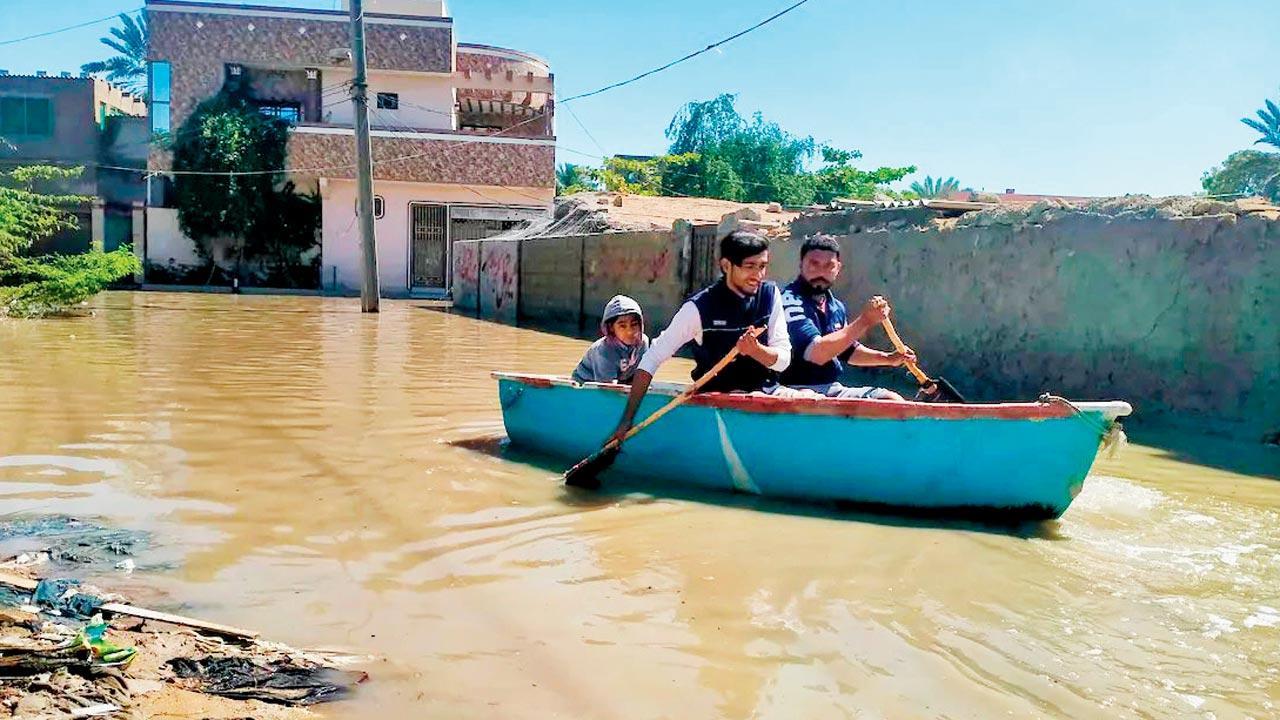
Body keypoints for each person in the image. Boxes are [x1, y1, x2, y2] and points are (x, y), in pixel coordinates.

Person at [606, 230, 792, 445]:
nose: (758, 275)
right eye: (749, 267)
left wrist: (757, 351)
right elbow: (651, 359)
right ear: (726, 266)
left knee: (810, 395)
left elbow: (783, 361)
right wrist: (627, 420)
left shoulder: (770, 296)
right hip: (719, 398)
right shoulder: (698, 309)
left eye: (762, 266)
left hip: (767, 392)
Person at [779, 234, 916, 400]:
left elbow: (847, 351)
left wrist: (889, 359)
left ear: (838, 269)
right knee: (809, 399)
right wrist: (865, 321)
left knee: (891, 400)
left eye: (829, 266)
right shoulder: (790, 301)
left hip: (830, 388)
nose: (821, 272)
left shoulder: (836, 307)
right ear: (801, 265)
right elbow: (817, 353)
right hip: (793, 389)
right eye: (814, 264)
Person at [571, 295, 650, 385]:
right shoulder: (604, 351)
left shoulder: (643, 343)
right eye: (622, 326)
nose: (630, 332)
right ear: (611, 328)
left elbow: (642, 373)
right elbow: (606, 386)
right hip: (586, 382)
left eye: (634, 324)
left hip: (620, 380)